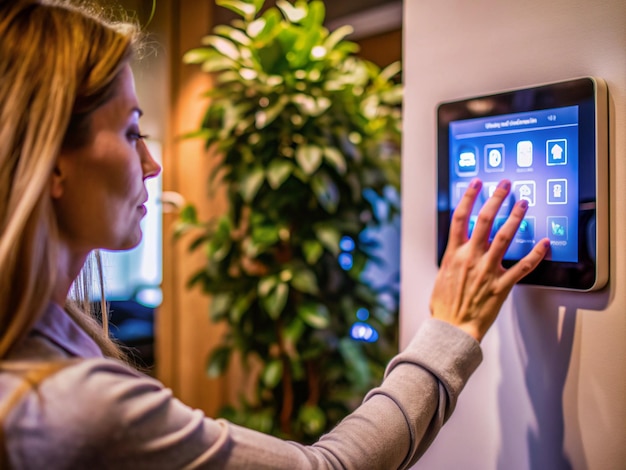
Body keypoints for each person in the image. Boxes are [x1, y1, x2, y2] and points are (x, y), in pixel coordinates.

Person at [0, 1, 550, 468]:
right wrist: (450, 328)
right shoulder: (69, 406)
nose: (151, 164)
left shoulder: (51, 334)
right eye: (128, 132)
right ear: (49, 162)